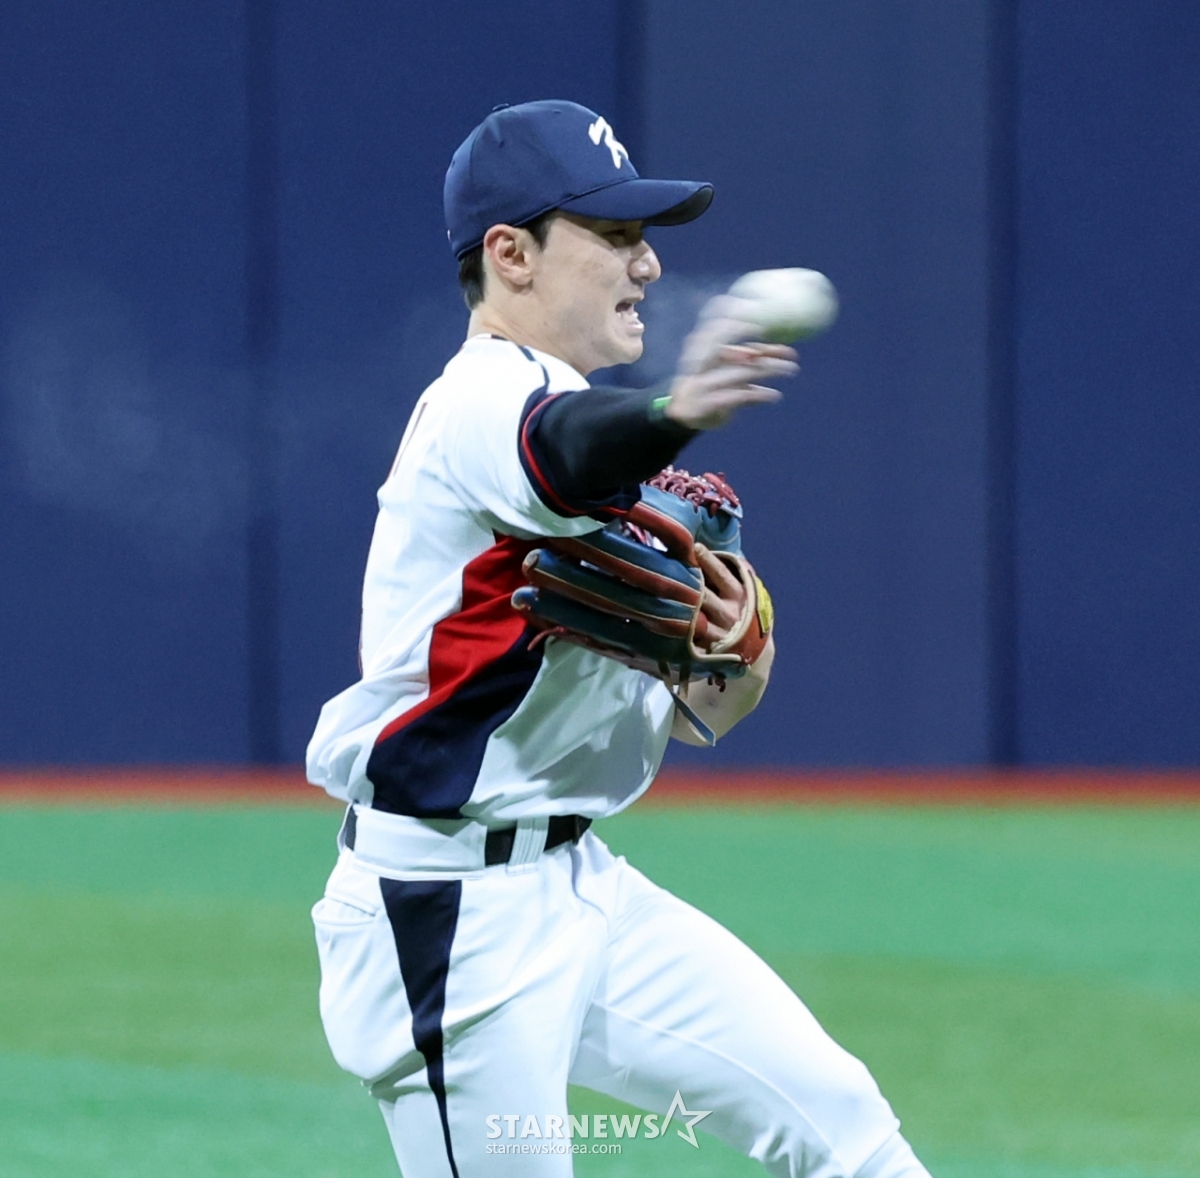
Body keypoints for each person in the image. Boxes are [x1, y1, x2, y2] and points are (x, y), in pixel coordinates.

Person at [307, 99, 931, 1178]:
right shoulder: (483, 403)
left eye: (644, 236)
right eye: (612, 235)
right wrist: (671, 411)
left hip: (581, 886)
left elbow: (697, 709)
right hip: (448, 920)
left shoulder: (581, 426)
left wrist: (724, 655)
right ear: (510, 254)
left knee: (841, 1119)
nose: (645, 263)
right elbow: (561, 451)